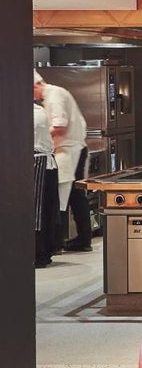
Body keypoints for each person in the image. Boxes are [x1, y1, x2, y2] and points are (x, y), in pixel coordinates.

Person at [34, 70, 91, 252]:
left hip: (68, 151)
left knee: (60, 197)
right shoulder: (53, 95)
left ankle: (57, 243)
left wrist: (39, 135)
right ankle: (82, 239)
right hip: (70, 150)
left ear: (36, 85)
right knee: (75, 196)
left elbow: (59, 127)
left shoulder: (55, 95)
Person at [33, 101, 60, 268]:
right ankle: (44, 252)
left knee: (36, 212)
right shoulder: (38, 110)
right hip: (45, 163)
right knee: (44, 210)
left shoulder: (32, 113)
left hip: (38, 163)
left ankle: (39, 254)